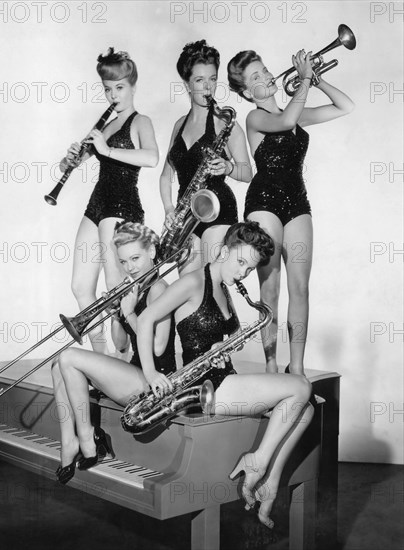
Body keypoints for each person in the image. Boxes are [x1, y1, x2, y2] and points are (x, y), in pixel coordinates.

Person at [136, 221, 314, 529]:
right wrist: (151, 372)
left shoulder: (226, 291)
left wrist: (223, 344)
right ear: (222, 251)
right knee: (300, 387)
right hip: (204, 386)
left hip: (221, 378)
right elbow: (146, 320)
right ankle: (256, 462)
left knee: (306, 409)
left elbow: (221, 338)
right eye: (241, 262)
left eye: (249, 268)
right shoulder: (193, 282)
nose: (243, 273)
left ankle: (270, 482)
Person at [227, 49, 354, 375]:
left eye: (264, 69)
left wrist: (318, 79)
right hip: (264, 202)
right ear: (245, 92)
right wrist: (306, 80)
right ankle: (270, 367)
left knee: (300, 288)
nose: (266, 76)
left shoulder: (294, 111)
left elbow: (345, 106)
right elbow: (283, 121)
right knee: (270, 289)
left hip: (297, 202)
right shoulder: (255, 118)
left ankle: (295, 367)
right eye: (255, 77)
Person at [52, 223, 175, 485]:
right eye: (123, 262)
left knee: (69, 357)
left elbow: (158, 347)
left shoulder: (159, 289)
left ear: (152, 251)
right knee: (57, 365)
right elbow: (120, 344)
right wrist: (117, 314)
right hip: (133, 374)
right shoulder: (134, 288)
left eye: (135, 258)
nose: (130, 267)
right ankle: (69, 440)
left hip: (155, 382)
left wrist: (130, 313)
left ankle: (88, 439)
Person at [61, 47, 159, 354]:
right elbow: (81, 159)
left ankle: (124, 357)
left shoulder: (140, 120)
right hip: (97, 204)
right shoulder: (105, 125)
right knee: (80, 287)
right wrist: (69, 161)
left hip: (122, 205)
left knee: (116, 289)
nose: (113, 95)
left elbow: (152, 157)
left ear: (132, 86)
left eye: (119, 87)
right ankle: (100, 358)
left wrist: (106, 150)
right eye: (108, 89)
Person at [160, 39, 252, 275]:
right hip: (185, 214)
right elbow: (165, 176)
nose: (207, 88)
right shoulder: (179, 124)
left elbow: (247, 172)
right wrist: (169, 209)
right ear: (187, 84)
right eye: (199, 80)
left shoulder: (225, 122)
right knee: (188, 287)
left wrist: (228, 168)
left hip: (218, 208)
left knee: (210, 282)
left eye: (212, 79)